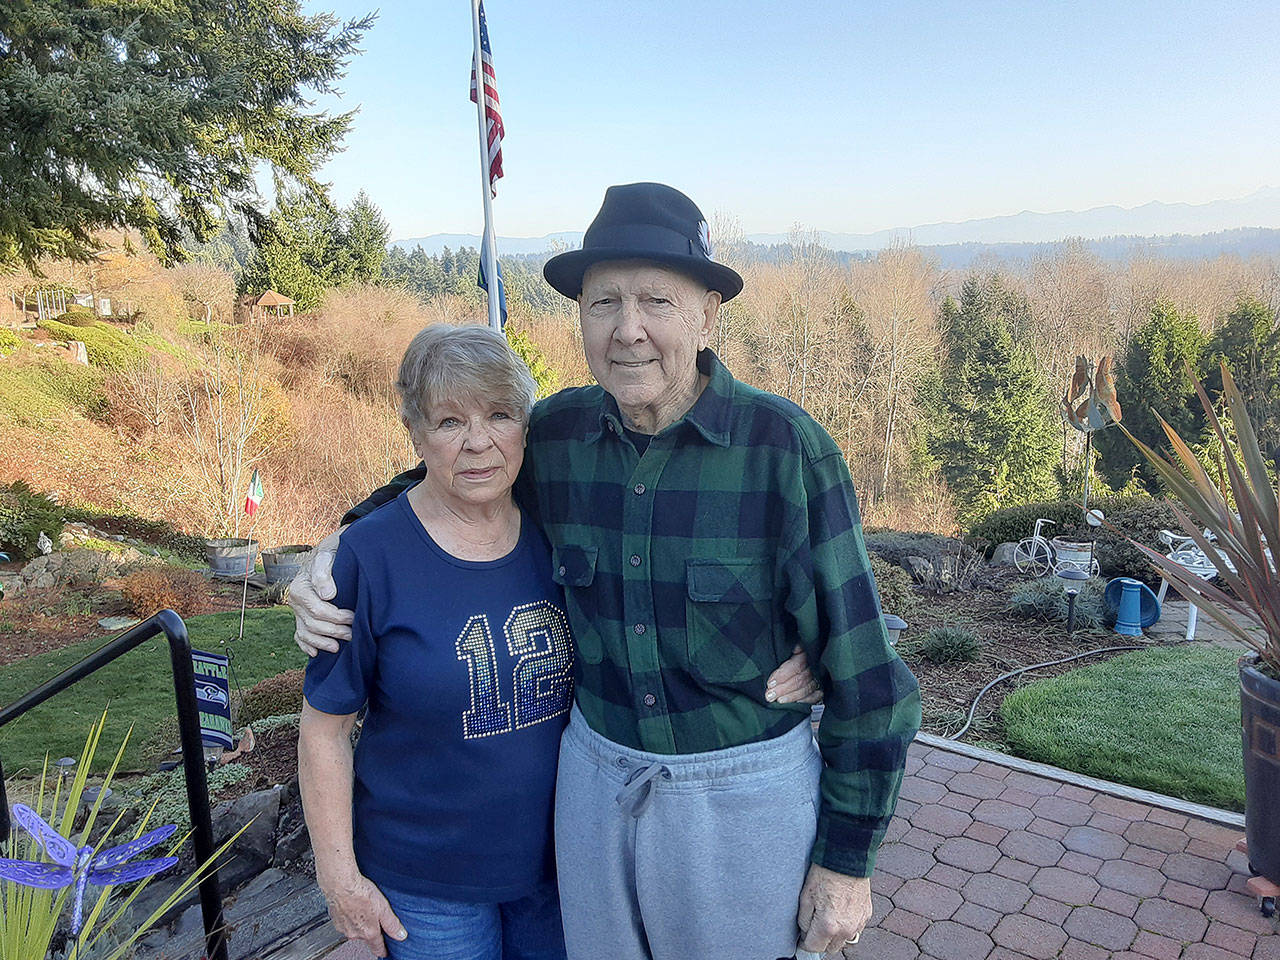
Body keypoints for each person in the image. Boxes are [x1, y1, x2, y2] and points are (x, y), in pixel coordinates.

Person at [291, 183, 921, 960]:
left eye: (657, 300)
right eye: (603, 304)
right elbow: (446, 470)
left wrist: (845, 863)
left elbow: (870, 681)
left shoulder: (784, 452)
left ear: (707, 314)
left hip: (739, 803)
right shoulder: (555, 435)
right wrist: (338, 544)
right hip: (592, 798)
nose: (628, 330)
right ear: (580, 317)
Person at [298, 325, 570, 960]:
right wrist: (340, 880)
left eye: (500, 415)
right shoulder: (370, 556)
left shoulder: (556, 531)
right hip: (426, 886)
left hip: (558, 870)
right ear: (416, 434)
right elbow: (324, 731)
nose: (478, 442)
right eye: (450, 422)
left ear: (525, 426)